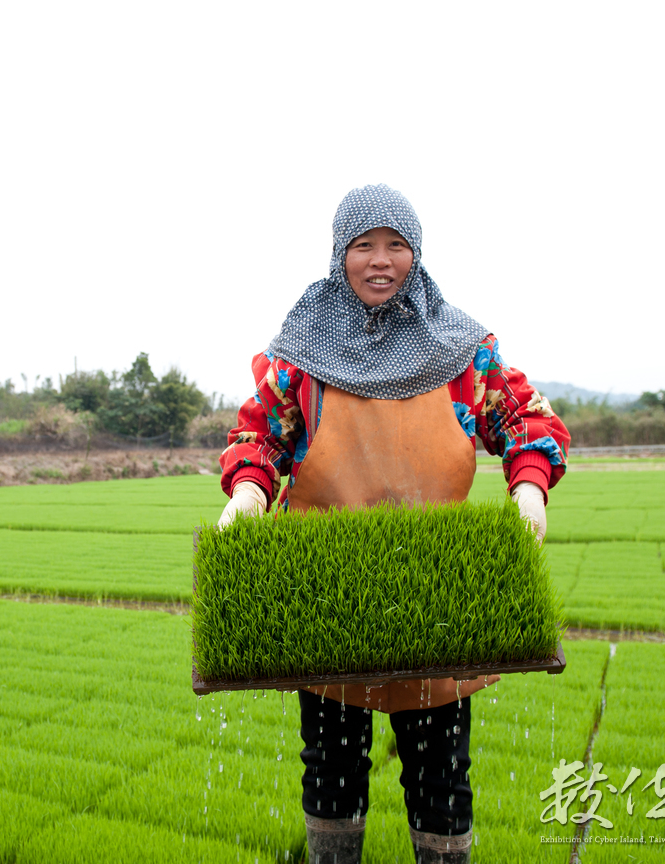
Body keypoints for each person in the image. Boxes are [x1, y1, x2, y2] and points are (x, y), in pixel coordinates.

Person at [216, 184, 570, 864]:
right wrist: (250, 491)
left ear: (416, 255)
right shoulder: (298, 357)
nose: (379, 261)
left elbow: (526, 421)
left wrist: (528, 487)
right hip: (326, 597)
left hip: (435, 597)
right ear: (337, 255)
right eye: (362, 246)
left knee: (440, 774)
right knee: (330, 771)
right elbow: (257, 436)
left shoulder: (463, 352)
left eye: (395, 246)